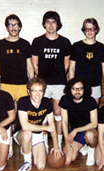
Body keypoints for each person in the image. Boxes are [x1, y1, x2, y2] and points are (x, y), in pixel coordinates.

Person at [0, 14, 34, 158]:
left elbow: (29, 66)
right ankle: (8, 146)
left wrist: (32, 83)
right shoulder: (0, 44)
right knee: (8, 117)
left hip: (23, 85)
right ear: (6, 27)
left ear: (20, 27)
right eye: (10, 25)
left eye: (16, 24)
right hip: (5, 85)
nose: (13, 27)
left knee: (23, 116)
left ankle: (25, 144)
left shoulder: (25, 44)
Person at [68, 18, 104, 157]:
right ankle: (80, 142)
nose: (89, 31)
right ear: (83, 30)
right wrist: (71, 85)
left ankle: (90, 143)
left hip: (95, 86)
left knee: (92, 115)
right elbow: (72, 67)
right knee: (77, 113)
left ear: (96, 30)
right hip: (79, 87)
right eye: (87, 28)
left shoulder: (101, 47)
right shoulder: (77, 46)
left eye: (92, 28)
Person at [32, 11, 72, 152]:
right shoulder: (37, 41)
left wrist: (58, 76)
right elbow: (35, 65)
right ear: (44, 24)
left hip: (59, 83)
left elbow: (66, 65)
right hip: (43, 84)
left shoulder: (65, 42)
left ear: (57, 24)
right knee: (43, 113)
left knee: (58, 114)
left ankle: (58, 143)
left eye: (53, 22)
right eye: (48, 22)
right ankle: (43, 144)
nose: (50, 25)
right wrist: (41, 81)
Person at [13, 77, 63, 171]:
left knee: (41, 166)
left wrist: (56, 145)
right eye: (34, 91)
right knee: (27, 134)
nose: (37, 94)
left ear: (44, 92)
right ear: (29, 91)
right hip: (22, 134)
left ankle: (29, 149)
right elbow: (25, 126)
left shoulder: (47, 102)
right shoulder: (23, 101)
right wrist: (46, 128)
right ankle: (27, 162)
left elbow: (52, 125)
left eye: (40, 91)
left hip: (37, 134)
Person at [59, 77, 98, 166]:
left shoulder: (90, 101)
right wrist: (67, 142)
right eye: (74, 89)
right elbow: (64, 122)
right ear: (70, 89)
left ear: (84, 89)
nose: (77, 91)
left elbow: (94, 123)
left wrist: (75, 130)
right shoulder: (65, 100)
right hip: (75, 132)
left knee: (90, 135)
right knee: (68, 160)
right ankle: (82, 145)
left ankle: (91, 151)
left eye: (80, 89)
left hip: (89, 129)